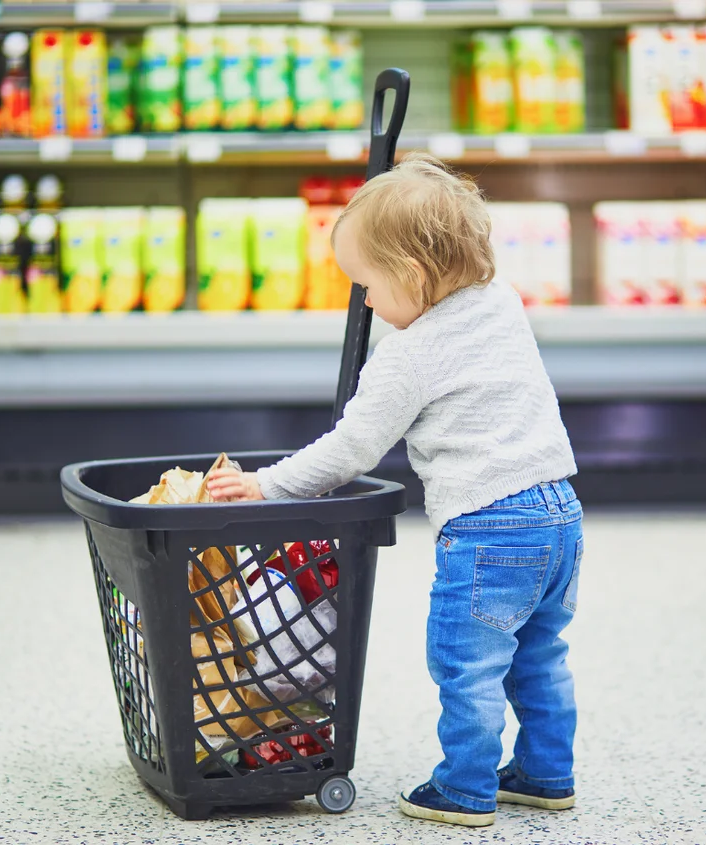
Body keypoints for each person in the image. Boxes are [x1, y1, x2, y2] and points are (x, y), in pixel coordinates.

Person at [207, 153, 582, 828]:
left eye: (368, 286)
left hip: (489, 525)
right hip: (560, 513)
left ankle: (465, 788)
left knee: (467, 663)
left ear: (411, 276)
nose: (366, 302)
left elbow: (349, 450)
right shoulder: (501, 304)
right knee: (539, 653)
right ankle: (546, 771)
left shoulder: (407, 355)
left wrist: (262, 485)